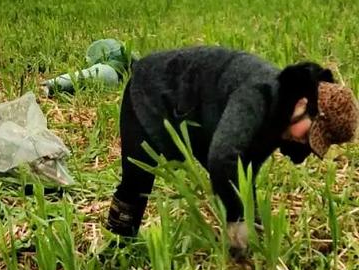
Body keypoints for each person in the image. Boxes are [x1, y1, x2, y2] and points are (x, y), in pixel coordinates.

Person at [105, 46, 358, 256]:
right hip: (153, 87)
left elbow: (244, 172)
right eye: (310, 134)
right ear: (304, 104)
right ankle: (118, 249)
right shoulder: (258, 96)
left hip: (202, 112)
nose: (305, 143)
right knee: (137, 178)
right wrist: (237, 219)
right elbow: (223, 157)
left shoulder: (281, 117)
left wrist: (252, 226)